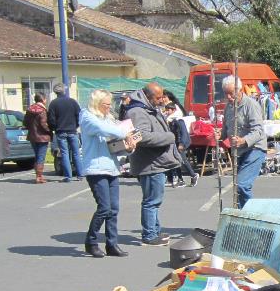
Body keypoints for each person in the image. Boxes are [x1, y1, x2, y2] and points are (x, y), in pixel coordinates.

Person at [80, 89, 140, 258]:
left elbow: (115, 143)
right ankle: (91, 241)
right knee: (104, 208)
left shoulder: (109, 119)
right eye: (106, 104)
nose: (109, 107)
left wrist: (129, 147)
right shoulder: (88, 117)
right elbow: (106, 129)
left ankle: (112, 244)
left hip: (112, 167)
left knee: (113, 209)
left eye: (110, 104)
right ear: (97, 103)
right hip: (96, 169)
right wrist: (126, 133)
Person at [126, 84, 181, 246]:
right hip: (149, 164)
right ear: (148, 96)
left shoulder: (147, 108)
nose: (161, 100)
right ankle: (149, 235)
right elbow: (140, 136)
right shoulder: (137, 111)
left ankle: (154, 231)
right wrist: (169, 137)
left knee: (154, 200)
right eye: (158, 97)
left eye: (162, 96)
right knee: (151, 201)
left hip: (155, 162)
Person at [219, 76, 268, 209]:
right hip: (238, 151)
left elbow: (258, 131)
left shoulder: (251, 105)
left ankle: (251, 215)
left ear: (239, 90)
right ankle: (243, 214)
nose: (228, 97)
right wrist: (219, 136)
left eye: (231, 93)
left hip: (255, 149)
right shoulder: (228, 107)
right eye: (226, 93)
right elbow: (225, 129)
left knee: (242, 184)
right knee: (238, 187)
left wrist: (244, 140)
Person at [47, 83, 82, 182]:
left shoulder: (53, 104)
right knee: (76, 153)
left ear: (55, 92)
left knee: (64, 153)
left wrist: (54, 128)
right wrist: (75, 126)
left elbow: (51, 119)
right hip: (72, 130)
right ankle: (80, 174)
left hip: (60, 131)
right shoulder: (72, 102)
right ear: (64, 91)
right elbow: (79, 115)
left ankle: (68, 176)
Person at [163, 93, 198, 188]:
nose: (167, 112)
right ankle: (180, 179)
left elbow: (183, 133)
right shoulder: (170, 120)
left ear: (174, 110)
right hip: (174, 143)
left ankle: (193, 175)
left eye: (168, 110)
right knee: (176, 161)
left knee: (182, 160)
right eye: (166, 110)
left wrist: (181, 144)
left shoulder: (178, 120)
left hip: (180, 143)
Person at [23, 93, 51, 184]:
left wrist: (31, 128)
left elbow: (25, 122)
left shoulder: (29, 109)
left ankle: (38, 175)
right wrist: (49, 131)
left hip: (32, 136)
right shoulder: (43, 110)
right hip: (42, 137)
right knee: (41, 157)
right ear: (43, 100)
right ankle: (39, 177)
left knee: (37, 155)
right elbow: (43, 124)